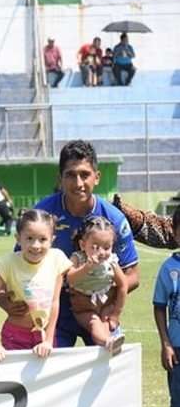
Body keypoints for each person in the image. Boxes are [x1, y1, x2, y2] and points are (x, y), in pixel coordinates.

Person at [11, 140, 139, 348]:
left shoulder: (114, 219)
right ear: (60, 178)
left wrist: (103, 297)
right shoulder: (43, 213)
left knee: (111, 359)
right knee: (47, 367)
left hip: (99, 307)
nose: (78, 183)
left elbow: (133, 275)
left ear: (97, 177)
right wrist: (7, 297)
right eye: (70, 175)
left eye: (84, 174)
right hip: (54, 309)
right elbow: (18, 262)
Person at [0, 209, 69, 361]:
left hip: (44, 338)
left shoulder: (57, 259)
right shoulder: (6, 263)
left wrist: (48, 340)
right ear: (18, 238)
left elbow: (55, 302)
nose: (35, 245)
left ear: (52, 239)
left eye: (42, 239)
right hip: (15, 337)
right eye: (29, 238)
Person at [66, 216, 127, 353]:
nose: (101, 252)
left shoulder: (111, 261)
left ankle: (109, 343)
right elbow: (69, 279)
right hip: (83, 308)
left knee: (106, 323)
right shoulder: (78, 258)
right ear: (83, 245)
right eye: (95, 247)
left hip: (105, 303)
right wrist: (86, 268)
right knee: (94, 323)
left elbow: (123, 285)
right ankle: (108, 342)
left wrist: (116, 313)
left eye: (107, 247)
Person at [152, 207, 180, 407]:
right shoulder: (169, 268)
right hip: (177, 348)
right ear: (175, 232)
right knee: (179, 404)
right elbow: (160, 306)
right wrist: (166, 343)